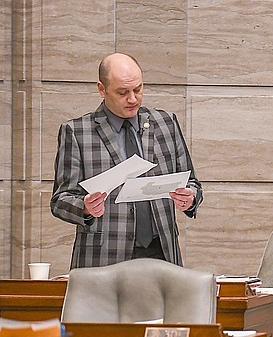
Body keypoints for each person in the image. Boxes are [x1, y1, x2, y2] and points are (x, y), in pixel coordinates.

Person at [51, 52, 202, 268]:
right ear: (102, 90)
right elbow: (60, 200)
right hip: (104, 257)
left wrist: (190, 197)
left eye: (138, 89)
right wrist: (84, 207)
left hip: (162, 253)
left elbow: (193, 183)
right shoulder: (77, 132)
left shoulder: (166, 123)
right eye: (122, 92)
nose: (132, 99)